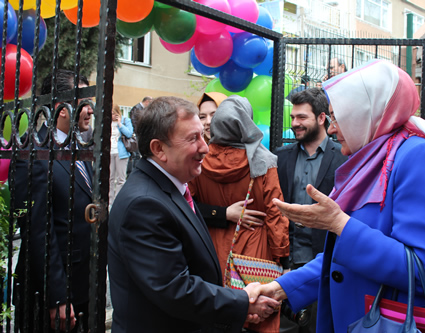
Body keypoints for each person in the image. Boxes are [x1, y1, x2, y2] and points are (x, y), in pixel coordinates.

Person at [256, 59, 425, 332]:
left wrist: (339, 223)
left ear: (367, 112)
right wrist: (279, 289)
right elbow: (342, 259)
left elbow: (421, 271)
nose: (332, 129)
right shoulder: (373, 159)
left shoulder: (421, 157)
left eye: (337, 117)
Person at [107, 96, 280, 333]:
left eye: (202, 134)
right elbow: (174, 289)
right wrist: (242, 301)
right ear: (159, 149)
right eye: (193, 138)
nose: (205, 147)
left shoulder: (172, 186)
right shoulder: (144, 204)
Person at [189, 95, 290, 333]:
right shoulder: (264, 161)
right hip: (256, 248)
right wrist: (282, 258)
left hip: (212, 246)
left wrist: (221, 213)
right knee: (259, 310)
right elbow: (276, 214)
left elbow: (188, 204)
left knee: (219, 312)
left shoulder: (199, 159)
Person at [14, 69, 94, 332]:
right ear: (62, 109)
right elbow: (37, 229)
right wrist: (57, 296)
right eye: (85, 103)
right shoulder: (35, 150)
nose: (91, 110)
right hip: (55, 294)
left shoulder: (81, 148)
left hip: (84, 284)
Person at [274, 88, 347, 333]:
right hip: (286, 263)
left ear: (321, 118)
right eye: (293, 117)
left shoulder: (345, 158)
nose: (295, 123)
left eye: (302, 117)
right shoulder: (280, 157)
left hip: (325, 263)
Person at [196, 91, 267, 231]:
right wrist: (223, 213)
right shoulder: (193, 155)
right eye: (202, 117)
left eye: (214, 114)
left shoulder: (255, 155)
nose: (209, 122)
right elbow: (185, 203)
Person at [109, 103, 134, 206]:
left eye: (113, 113)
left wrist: (120, 124)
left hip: (121, 153)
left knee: (121, 179)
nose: (112, 115)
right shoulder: (108, 122)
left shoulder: (125, 120)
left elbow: (129, 133)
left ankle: (117, 201)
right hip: (110, 152)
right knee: (110, 178)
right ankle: (109, 201)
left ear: (117, 112)